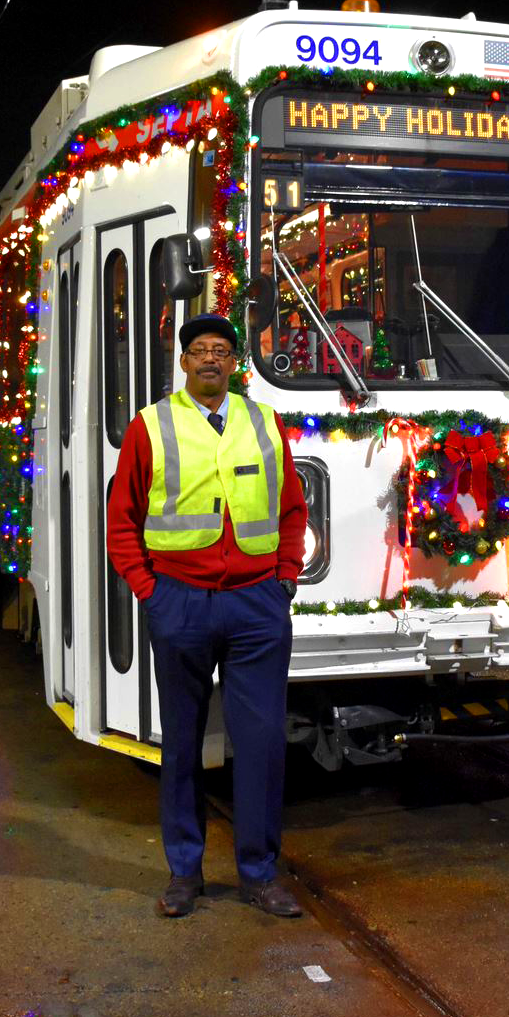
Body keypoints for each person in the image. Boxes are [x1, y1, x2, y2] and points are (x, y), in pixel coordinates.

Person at [105, 312, 307, 919]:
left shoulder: (263, 421)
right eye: (200, 351)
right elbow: (122, 519)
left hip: (256, 605)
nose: (211, 359)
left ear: (233, 361)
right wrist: (151, 592)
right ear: (185, 362)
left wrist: (285, 579)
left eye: (221, 349)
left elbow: (293, 507)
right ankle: (184, 874)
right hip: (181, 603)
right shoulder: (152, 426)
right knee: (183, 745)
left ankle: (259, 874)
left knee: (263, 743)